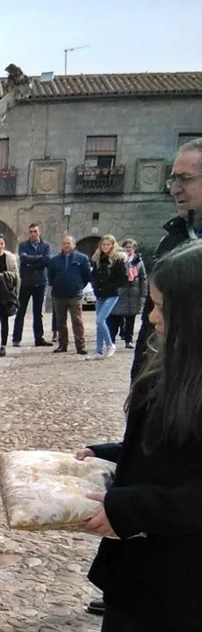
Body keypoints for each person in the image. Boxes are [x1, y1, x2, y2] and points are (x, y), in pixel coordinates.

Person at [78, 240, 202, 631]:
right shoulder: (173, 367)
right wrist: (107, 453)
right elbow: (167, 447)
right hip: (140, 574)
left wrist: (134, 508)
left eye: (163, 307)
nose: (152, 318)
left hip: (181, 583)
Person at [131, 138, 202, 380]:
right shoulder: (170, 242)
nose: (174, 189)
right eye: (173, 179)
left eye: (185, 179)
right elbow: (150, 328)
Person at [48, 235, 92, 355]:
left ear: (73, 245)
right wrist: (56, 285)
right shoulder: (54, 260)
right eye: (64, 243)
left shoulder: (82, 259)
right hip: (59, 294)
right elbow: (50, 277)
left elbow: (87, 275)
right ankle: (62, 345)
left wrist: (79, 285)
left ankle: (80, 346)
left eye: (69, 243)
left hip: (75, 294)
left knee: (77, 320)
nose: (66, 245)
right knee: (60, 321)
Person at [87, 235, 127, 361]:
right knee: (99, 323)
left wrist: (111, 286)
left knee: (100, 320)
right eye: (103, 245)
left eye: (108, 245)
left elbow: (122, 278)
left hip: (111, 294)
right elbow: (93, 275)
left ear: (112, 245)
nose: (105, 247)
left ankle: (110, 344)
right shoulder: (97, 259)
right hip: (100, 294)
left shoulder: (117, 260)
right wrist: (95, 286)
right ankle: (99, 351)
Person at [12, 224, 52, 347]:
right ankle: (16, 339)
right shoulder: (23, 246)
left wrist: (32, 262)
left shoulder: (46, 246)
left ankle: (39, 338)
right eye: (31, 231)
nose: (33, 234)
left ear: (39, 232)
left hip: (40, 282)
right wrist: (39, 260)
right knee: (21, 311)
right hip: (26, 282)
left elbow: (47, 260)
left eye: (35, 231)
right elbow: (23, 259)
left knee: (38, 312)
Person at [107, 239, 146, 349]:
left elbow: (143, 278)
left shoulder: (138, 261)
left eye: (130, 247)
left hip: (133, 294)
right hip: (120, 293)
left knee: (130, 319)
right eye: (126, 247)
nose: (128, 249)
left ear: (134, 249)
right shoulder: (118, 259)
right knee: (115, 318)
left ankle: (128, 340)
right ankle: (111, 341)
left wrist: (143, 294)